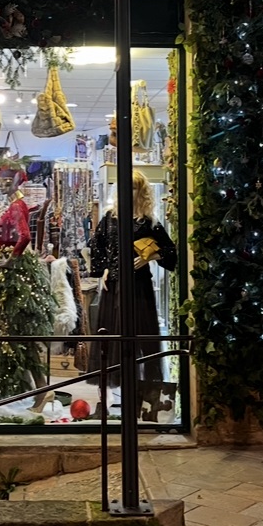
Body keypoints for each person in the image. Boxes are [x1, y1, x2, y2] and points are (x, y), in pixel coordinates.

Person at [88, 169, 177, 410]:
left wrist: (151, 256)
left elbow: (171, 252)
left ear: (142, 192)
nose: (130, 192)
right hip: (113, 286)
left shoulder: (148, 223)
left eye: (135, 188)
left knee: (140, 339)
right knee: (112, 340)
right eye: (126, 188)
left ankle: (141, 401)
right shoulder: (109, 218)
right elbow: (98, 246)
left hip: (138, 286)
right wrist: (104, 270)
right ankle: (109, 402)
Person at [0, 165, 55, 410]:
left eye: (7, 181)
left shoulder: (17, 205)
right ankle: (36, 390)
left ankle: (41, 390)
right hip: (6, 270)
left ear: (17, 181)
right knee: (11, 335)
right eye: (0, 181)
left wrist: (9, 260)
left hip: (12, 274)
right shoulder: (16, 204)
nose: (2, 184)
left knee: (15, 333)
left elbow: (24, 236)